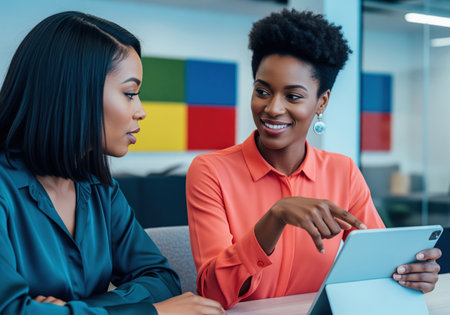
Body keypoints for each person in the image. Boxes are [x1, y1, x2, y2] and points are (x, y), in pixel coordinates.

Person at [186, 9, 441, 309]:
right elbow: (213, 291)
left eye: (293, 96)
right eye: (262, 91)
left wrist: (411, 273)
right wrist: (276, 217)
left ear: (322, 102)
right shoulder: (211, 172)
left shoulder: (342, 171)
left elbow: (378, 266)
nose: (272, 108)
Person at [0, 11, 225, 315]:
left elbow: (162, 279)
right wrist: (153, 312)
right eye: (130, 93)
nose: (141, 111)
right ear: (75, 91)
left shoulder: (100, 190)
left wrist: (75, 311)